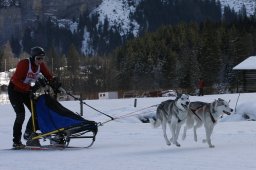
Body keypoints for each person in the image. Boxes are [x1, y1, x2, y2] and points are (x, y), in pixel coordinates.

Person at [8, 46, 53, 149]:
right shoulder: (24, 64)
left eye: (42, 58)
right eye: (38, 58)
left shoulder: (40, 65)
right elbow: (15, 80)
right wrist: (28, 87)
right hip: (15, 91)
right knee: (20, 115)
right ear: (33, 57)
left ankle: (29, 133)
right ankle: (17, 141)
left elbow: (48, 76)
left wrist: (53, 82)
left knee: (37, 111)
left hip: (26, 91)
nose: (40, 61)